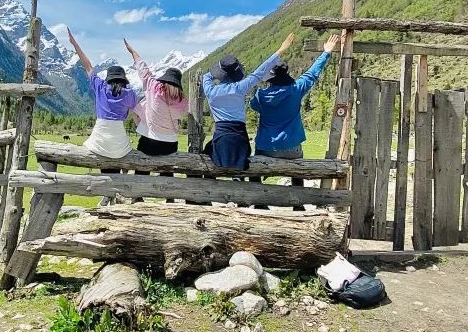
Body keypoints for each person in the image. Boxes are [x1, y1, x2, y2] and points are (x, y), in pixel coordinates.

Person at [251, 34, 340, 209]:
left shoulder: (260, 96)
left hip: (266, 149)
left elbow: (253, 105)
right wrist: (326, 53)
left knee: (254, 167)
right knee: (298, 165)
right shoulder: (296, 90)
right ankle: (298, 204)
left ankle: (260, 202)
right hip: (292, 148)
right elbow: (311, 74)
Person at [201, 33, 295, 170]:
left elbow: (206, 76)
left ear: (220, 74)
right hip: (240, 139)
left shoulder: (210, 91)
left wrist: (219, 70)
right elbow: (259, 72)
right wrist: (280, 50)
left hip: (221, 140)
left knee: (208, 153)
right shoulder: (240, 88)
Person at [124, 40, 187, 201]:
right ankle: (170, 197)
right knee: (167, 168)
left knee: (142, 167)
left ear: (164, 80)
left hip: (150, 142)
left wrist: (133, 52)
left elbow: (143, 70)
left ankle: (137, 196)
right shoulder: (182, 100)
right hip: (170, 144)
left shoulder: (153, 87)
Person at [67, 28, 138, 159]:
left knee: (103, 163)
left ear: (109, 78)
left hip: (99, 140)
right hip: (119, 142)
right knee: (119, 158)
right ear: (123, 79)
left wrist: (74, 43)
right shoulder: (130, 94)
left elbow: (87, 66)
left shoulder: (100, 86)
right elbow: (139, 111)